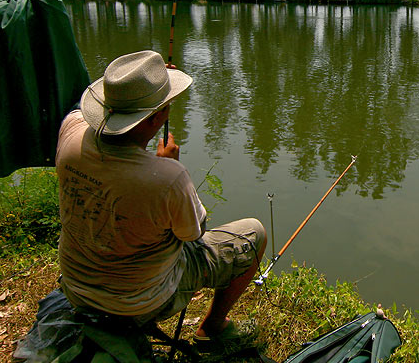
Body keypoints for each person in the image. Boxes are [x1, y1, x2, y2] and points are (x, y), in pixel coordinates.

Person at [55, 50, 266, 344]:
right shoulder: (167, 178)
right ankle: (214, 327)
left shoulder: (70, 131)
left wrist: (145, 86)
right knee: (255, 233)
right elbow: (193, 234)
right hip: (139, 304)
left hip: (75, 290)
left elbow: (89, 114)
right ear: (159, 117)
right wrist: (172, 166)